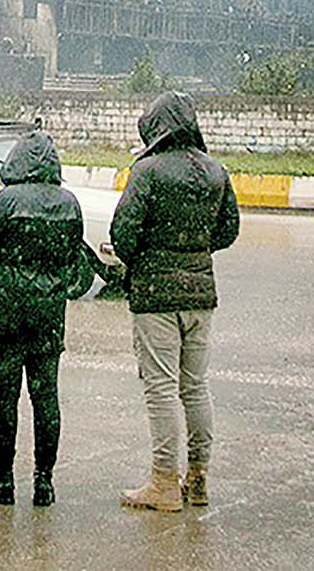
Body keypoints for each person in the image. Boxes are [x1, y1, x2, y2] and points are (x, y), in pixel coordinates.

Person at [109, 90, 240, 513]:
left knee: (161, 388)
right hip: (201, 295)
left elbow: (122, 233)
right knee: (195, 387)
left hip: (155, 297)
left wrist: (146, 259)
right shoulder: (216, 171)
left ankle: (164, 482)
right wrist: (194, 252)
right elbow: (228, 231)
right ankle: (198, 478)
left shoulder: (147, 171)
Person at [0, 129, 84, 508]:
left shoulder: (7, 200)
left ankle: (4, 480)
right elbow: (72, 255)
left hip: (5, 310)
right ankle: (44, 481)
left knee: (4, 398)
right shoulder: (69, 202)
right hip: (47, 312)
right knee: (45, 396)